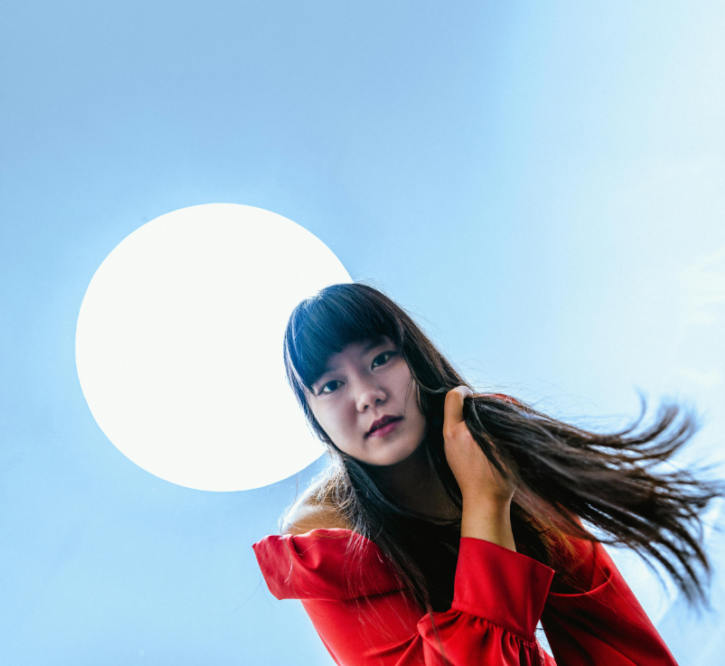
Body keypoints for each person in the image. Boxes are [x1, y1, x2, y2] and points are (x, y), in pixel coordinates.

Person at [252, 283, 720, 665]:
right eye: (331, 385)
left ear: (417, 358)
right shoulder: (323, 543)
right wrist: (486, 502)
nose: (367, 395)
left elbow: (614, 639)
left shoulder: (492, 444)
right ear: (315, 417)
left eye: (381, 359)